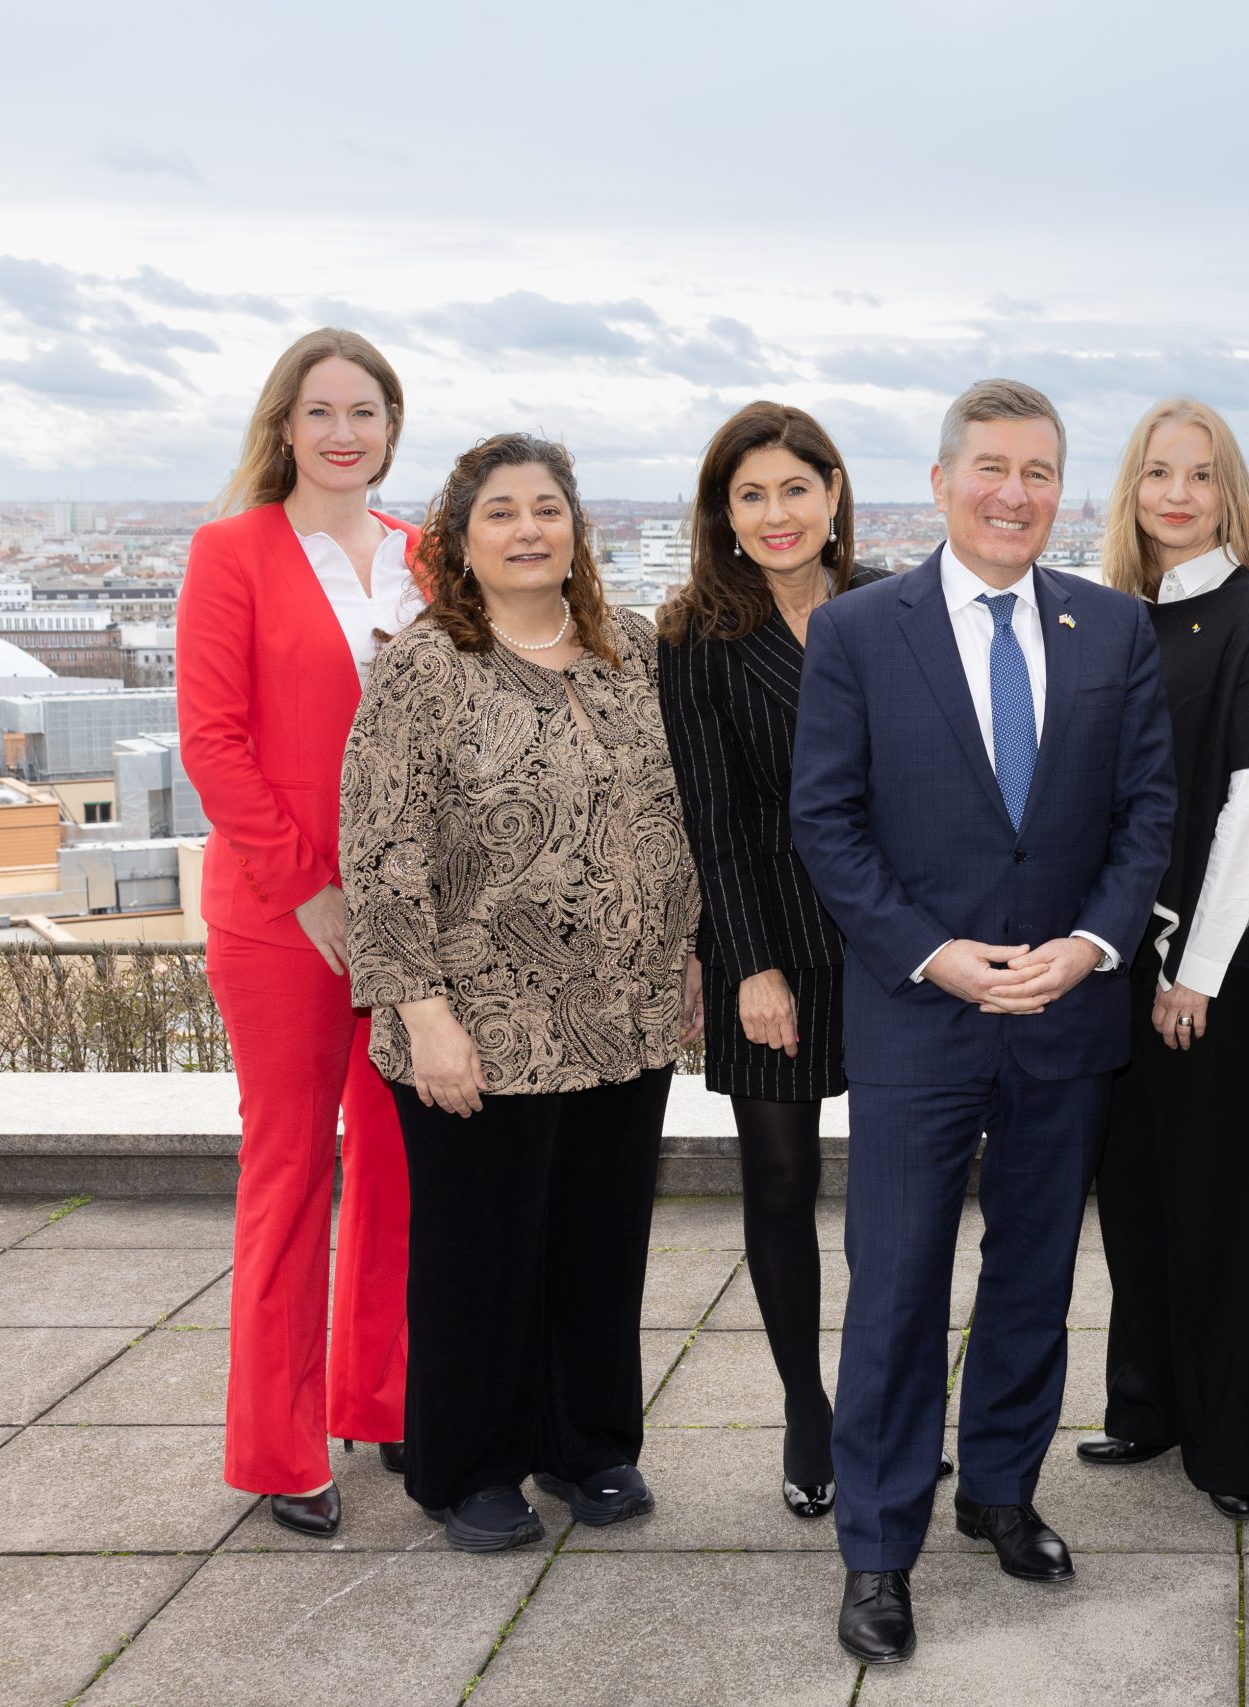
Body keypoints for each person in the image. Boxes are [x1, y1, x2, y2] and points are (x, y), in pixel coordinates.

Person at [791, 380, 1175, 1665]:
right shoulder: (856, 632)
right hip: (920, 1017)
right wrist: (934, 956)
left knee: (1032, 1273)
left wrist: (1085, 949)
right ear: (945, 480)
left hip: (1066, 1014)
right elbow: (825, 825)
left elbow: (1146, 817)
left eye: (1042, 473)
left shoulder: (1114, 628)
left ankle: (1002, 1491)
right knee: (896, 1284)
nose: (1017, 494)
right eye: (994, 469)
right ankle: (880, 1547)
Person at [340, 433, 703, 1553]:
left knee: (599, 1243)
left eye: (548, 508)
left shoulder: (628, 651)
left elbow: (671, 814)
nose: (530, 529)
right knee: (480, 1254)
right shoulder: (424, 665)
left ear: (577, 531)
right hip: (479, 1022)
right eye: (502, 512)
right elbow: (378, 845)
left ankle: (588, 1445)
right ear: (458, 540)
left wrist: (687, 953)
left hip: (624, 1010)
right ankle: (472, 1467)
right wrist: (423, 1012)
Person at [177, 329, 422, 1538]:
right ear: (284, 425)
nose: (343, 431)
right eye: (320, 410)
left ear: (391, 426)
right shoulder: (230, 553)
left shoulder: (430, 557)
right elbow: (213, 743)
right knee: (289, 1171)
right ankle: (279, 1446)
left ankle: (380, 1395)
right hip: (283, 922)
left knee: (398, 1163)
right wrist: (307, 891)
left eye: (364, 410)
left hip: (415, 924)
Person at [1075, 399, 1249, 1521]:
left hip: (1224, 968)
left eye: (1200, 476)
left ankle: (1229, 1448)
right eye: (1157, 473)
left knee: (1218, 1208)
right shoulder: (1121, 615)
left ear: (1230, 494)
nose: (1176, 494)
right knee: (1136, 1195)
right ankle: (1146, 1406)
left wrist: (1196, 972)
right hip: (1127, 961)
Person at [657, 402, 890, 1522]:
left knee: (901, 1196)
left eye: (795, 488)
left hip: (898, 941)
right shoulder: (696, 633)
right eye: (750, 494)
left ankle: (882, 1411)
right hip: (774, 943)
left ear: (834, 494)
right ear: (723, 515)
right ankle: (807, 1406)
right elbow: (711, 816)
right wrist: (746, 968)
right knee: (782, 1186)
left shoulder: (899, 605)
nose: (776, 513)